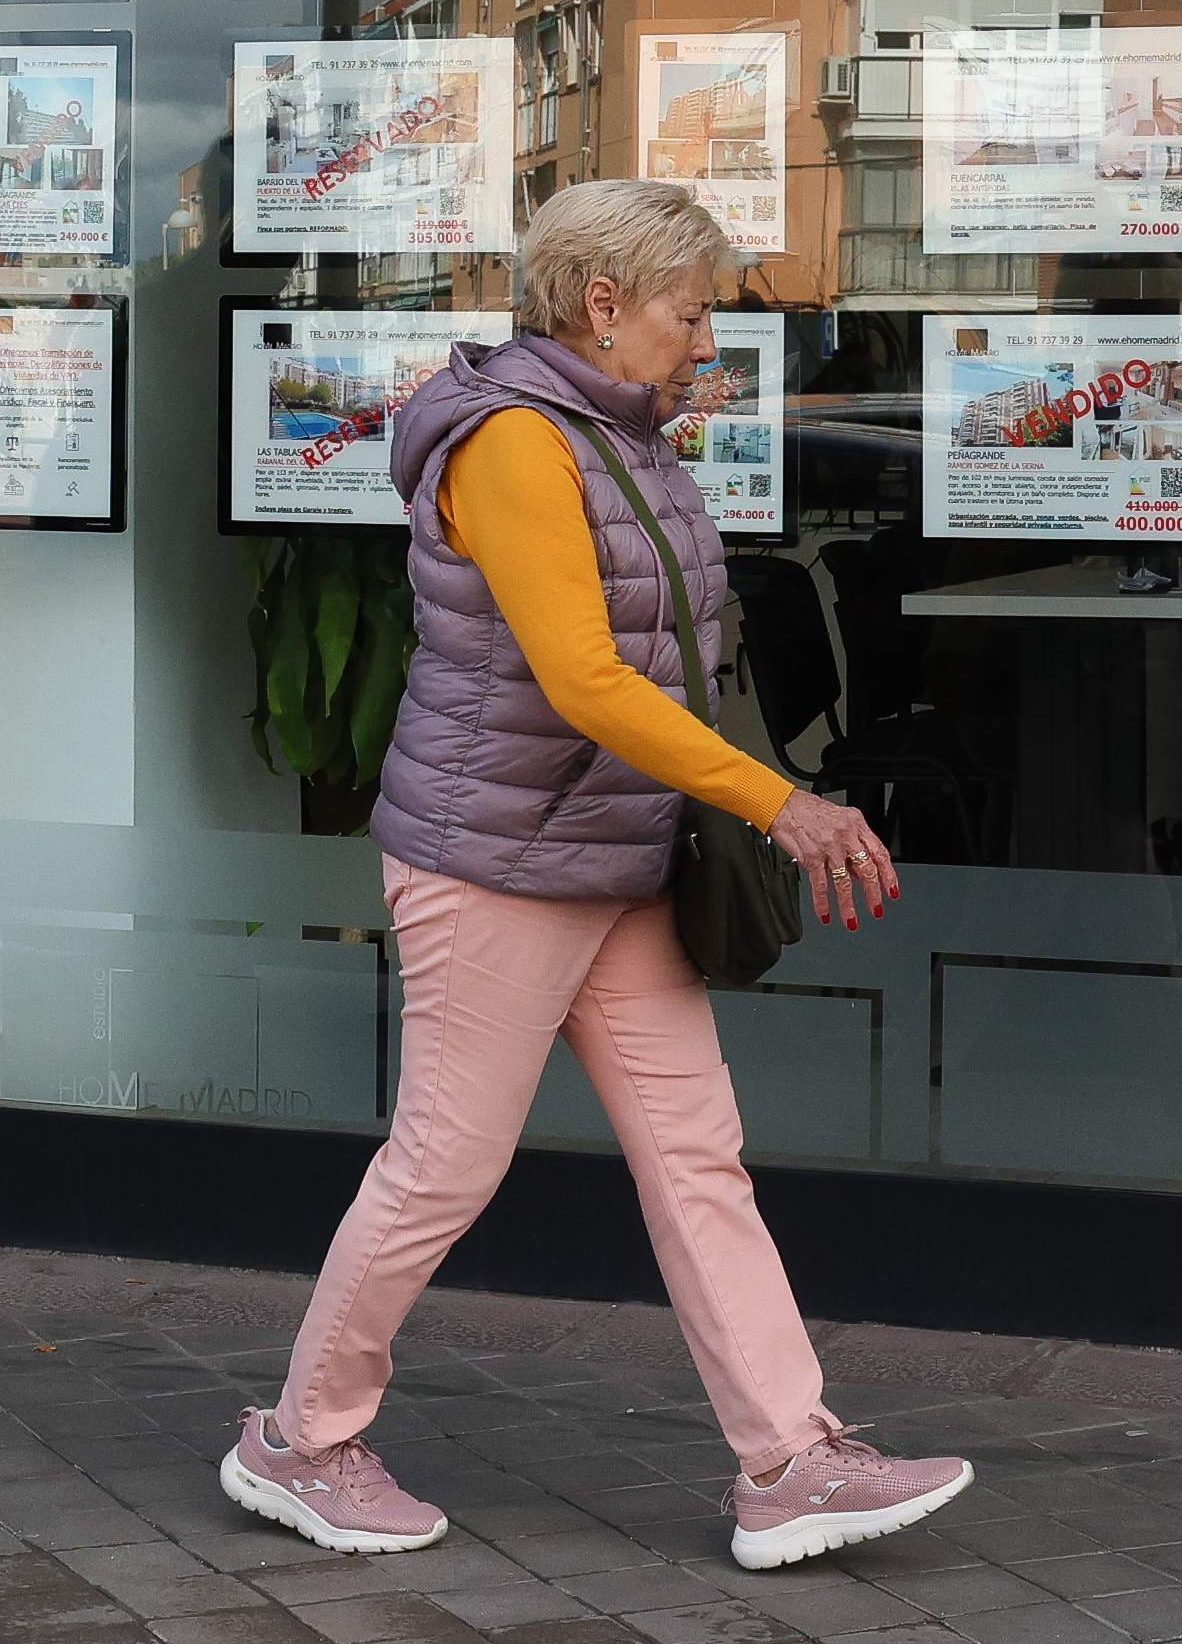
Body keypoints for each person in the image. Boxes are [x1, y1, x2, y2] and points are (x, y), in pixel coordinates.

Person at [223, 181, 972, 1572]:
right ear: (601, 301)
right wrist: (779, 805)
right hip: (501, 862)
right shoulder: (513, 444)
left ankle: (789, 1458)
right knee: (445, 1161)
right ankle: (300, 1437)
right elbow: (582, 677)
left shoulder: (620, 435)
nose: (707, 341)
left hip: (617, 856)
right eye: (690, 313)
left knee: (700, 1156)